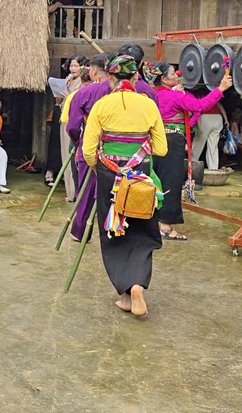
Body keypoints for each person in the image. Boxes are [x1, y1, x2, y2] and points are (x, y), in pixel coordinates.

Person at [82, 55, 167, 318]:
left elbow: (88, 151)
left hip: (110, 175)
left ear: (110, 78)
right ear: (136, 77)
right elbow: (161, 149)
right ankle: (136, 288)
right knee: (142, 231)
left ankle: (126, 293)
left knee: (114, 232)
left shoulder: (101, 105)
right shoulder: (148, 105)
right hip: (140, 176)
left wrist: (100, 168)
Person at [65, 47, 157, 242]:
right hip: (135, 155)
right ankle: (121, 235)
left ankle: (80, 231)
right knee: (129, 194)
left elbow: (72, 125)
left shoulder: (87, 92)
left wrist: (78, 143)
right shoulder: (146, 92)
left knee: (87, 192)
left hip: (94, 150)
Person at [145, 62, 231, 241]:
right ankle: (166, 227)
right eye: (173, 74)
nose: (177, 75)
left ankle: (151, 223)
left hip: (152, 141)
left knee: (154, 180)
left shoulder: (149, 95)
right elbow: (201, 105)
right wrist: (221, 88)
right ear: (164, 79)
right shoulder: (175, 97)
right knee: (171, 183)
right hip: (171, 142)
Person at [60, 55, 88, 199]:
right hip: (65, 117)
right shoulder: (69, 80)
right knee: (66, 154)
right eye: (71, 66)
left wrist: (70, 97)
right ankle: (70, 192)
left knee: (74, 155)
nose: (73, 68)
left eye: (76, 66)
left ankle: (76, 192)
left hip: (75, 121)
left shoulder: (84, 82)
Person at [192, 97, 228, 172]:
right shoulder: (214, 96)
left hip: (205, 117)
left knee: (199, 143)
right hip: (218, 118)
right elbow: (220, 107)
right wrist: (226, 120)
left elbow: (197, 111)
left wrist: (199, 126)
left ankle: (192, 164)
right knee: (213, 145)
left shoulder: (200, 96)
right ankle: (213, 168)